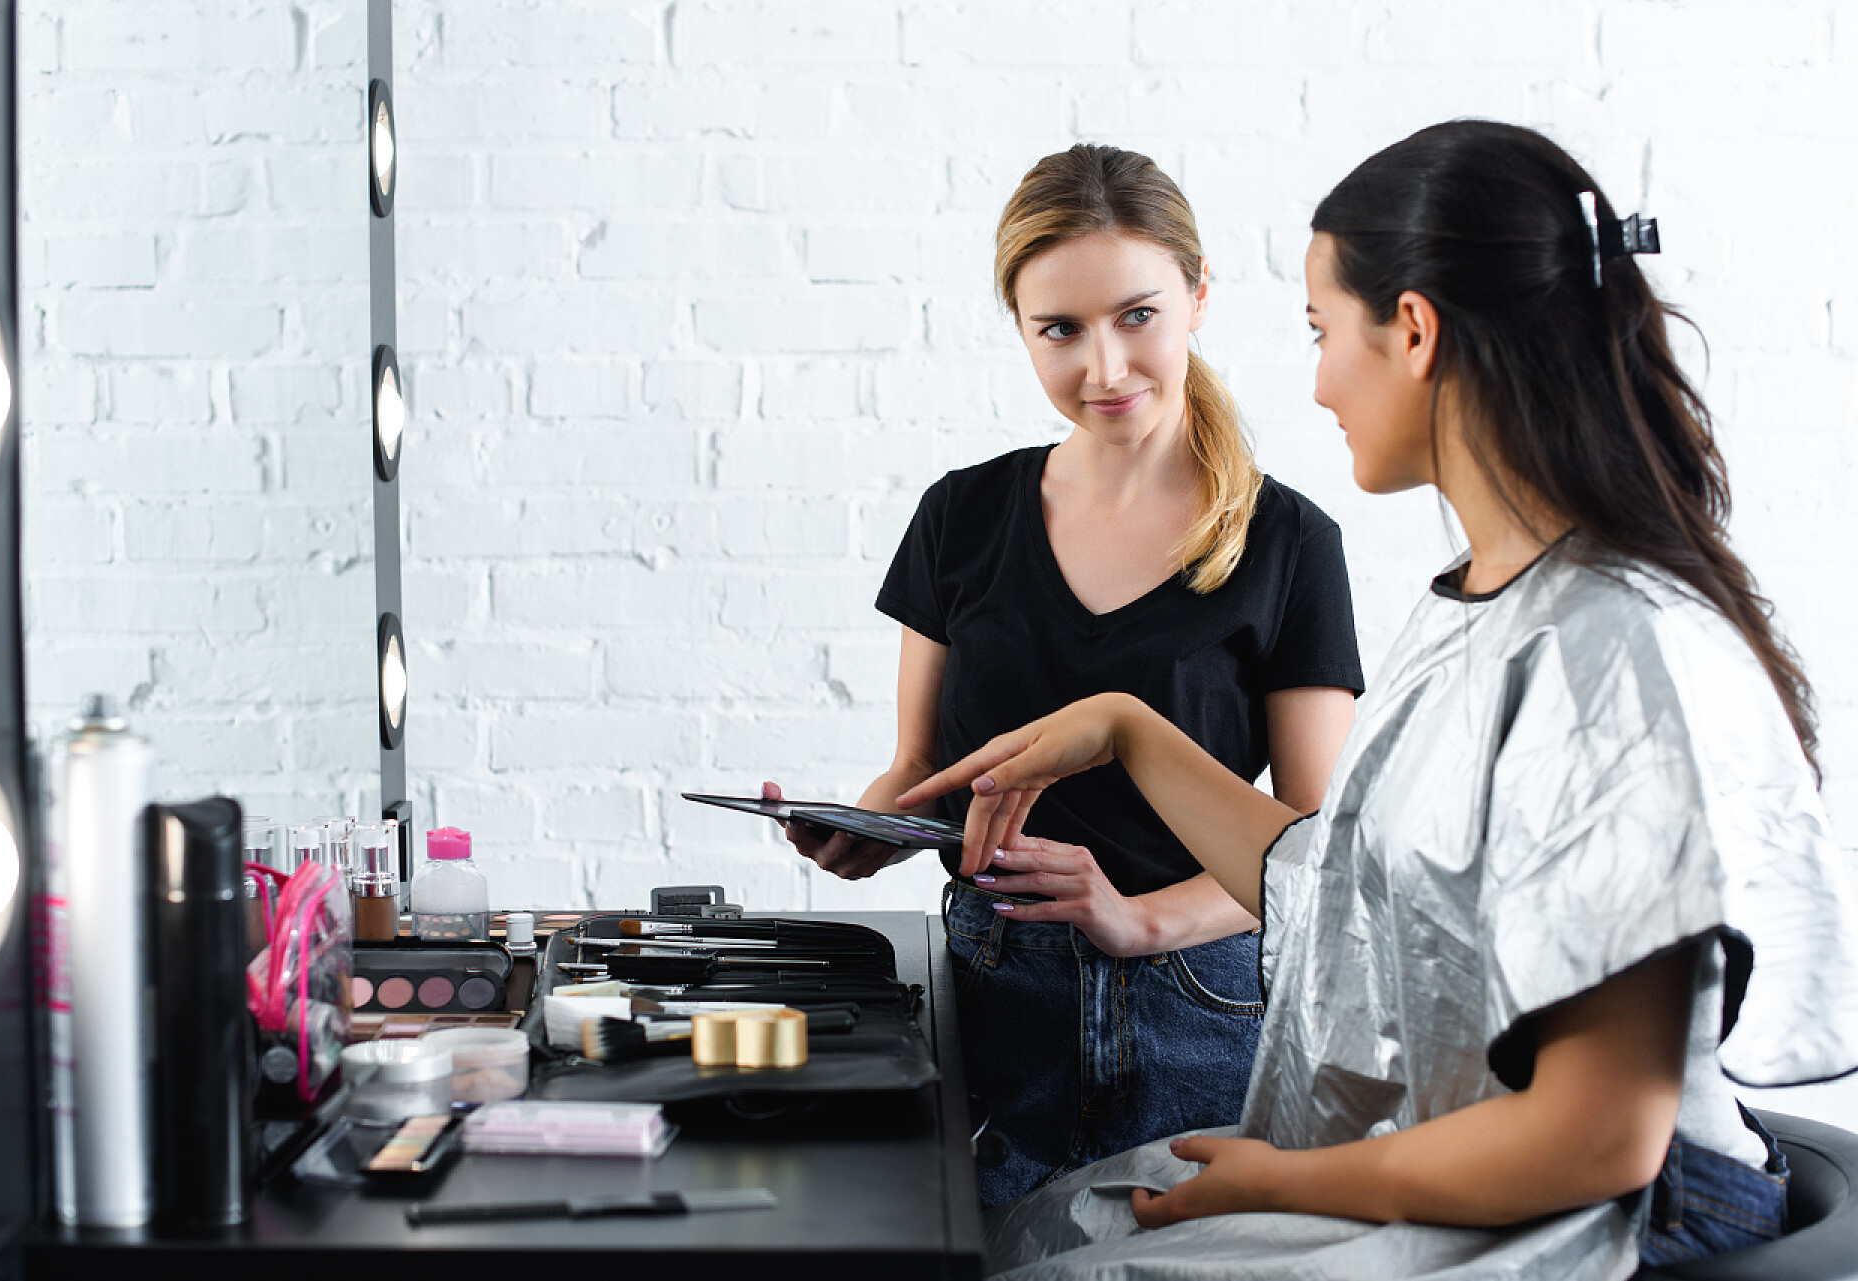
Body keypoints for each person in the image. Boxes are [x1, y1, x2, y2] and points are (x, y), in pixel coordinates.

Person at [900, 120, 1858, 1278]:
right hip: (1463, 1163)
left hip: (1599, 1219)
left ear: (1412, 332)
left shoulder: (1616, 651)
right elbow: (1341, 888)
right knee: (1016, 1232)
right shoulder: (1489, 603)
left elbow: (1601, 1136)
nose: (1312, 382)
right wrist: (1126, 730)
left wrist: (1287, 1179)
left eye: (1321, 332)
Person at [767, 144, 1365, 1207]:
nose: (1104, 368)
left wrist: (1136, 921)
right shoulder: (962, 516)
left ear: (1198, 297)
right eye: (1061, 331)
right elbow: (915, 765)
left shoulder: (1290, 543)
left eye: (1138, 316)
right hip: (996, 1007)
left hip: (1202, 1014)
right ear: (1020, 328)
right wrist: (862, 833)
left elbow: (1312, 846)